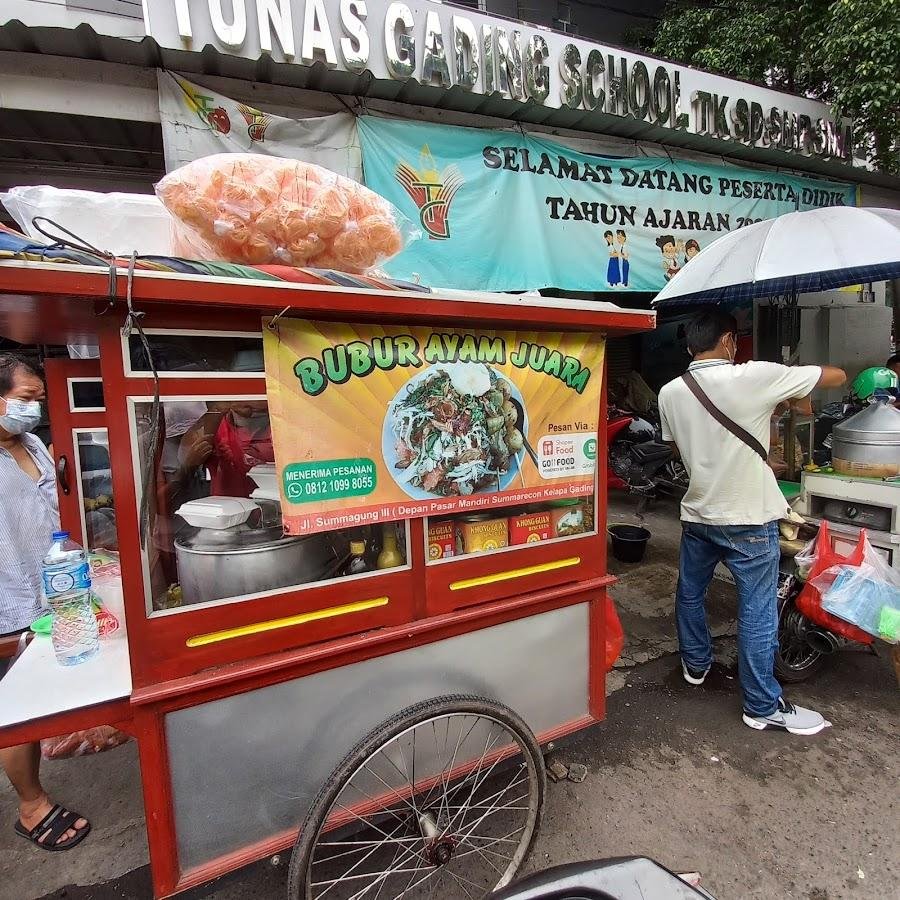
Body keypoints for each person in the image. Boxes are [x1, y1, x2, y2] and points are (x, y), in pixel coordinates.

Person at [658, 310, 846, 735]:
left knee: (690, 595)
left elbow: (677, 450)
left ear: (690, 345)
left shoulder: (670, 392)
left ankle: (696, 665)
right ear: (728, 340)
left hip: (699, 513)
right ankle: (762, 706)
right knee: (758, 612)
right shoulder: (755, 375)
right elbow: (833, 375)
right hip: (746, 519)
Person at [0, 354, 91, 849]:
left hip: (53, 590)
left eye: (38, 399)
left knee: (37, 699)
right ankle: (32, 807)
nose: (34, 409)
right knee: (16, 711)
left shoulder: (32, 443)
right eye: (26, 399)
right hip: (6, 600)